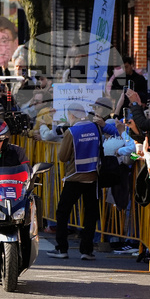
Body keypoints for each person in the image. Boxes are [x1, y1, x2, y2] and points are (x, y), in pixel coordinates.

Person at [49, 103, 101, 260]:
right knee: (90, 214)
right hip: (93, 177)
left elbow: (63, 157)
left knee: (63, 212)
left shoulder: (71, 132)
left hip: (75, 177)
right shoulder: (96, 128)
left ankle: (62, 249)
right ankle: (86, 250)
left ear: (71, 115)